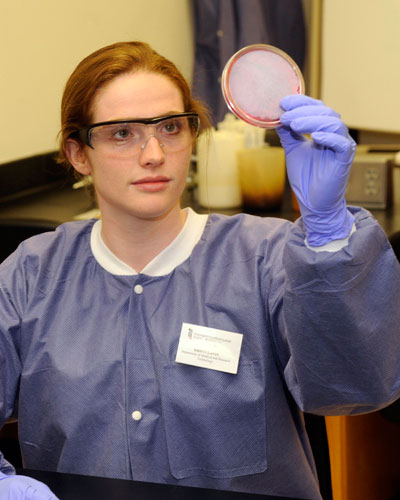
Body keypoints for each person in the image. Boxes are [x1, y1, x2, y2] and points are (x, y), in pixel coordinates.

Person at [0, 41, 400, 500]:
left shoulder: (265, 257)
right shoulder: (31, 276)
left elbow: (356, 387)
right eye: (122, 134)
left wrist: (329, 234)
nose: (153, 153)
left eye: (170, 127)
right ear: (78, 154)